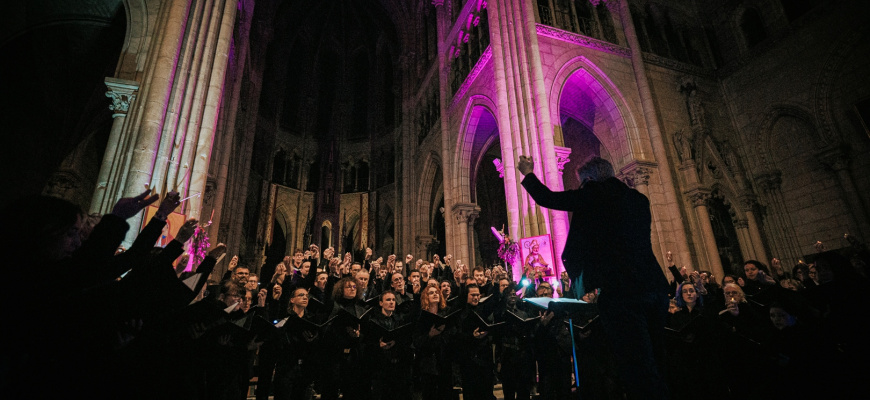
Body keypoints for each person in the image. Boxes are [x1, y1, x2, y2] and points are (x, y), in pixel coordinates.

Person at [517, 155, 670, 400]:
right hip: (655, 287)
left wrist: (528, 173)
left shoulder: (592, 195)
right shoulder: (639, 200)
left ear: (588, 179)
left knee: (635, 366)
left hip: (621, 292)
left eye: (581, 182)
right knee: (657, 359)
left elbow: (549, 198)